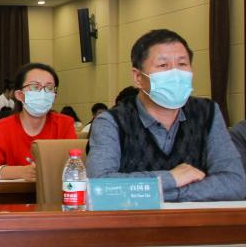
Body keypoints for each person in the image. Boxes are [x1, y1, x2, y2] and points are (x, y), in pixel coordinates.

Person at [87, 29, 246, 201]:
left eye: (182, 64)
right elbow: (99, 185)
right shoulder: (111, 122)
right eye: (163, 66)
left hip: (196, 217)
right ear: (138, 77)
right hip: (133, 218)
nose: (175, 74)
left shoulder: (208, 112)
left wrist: (170, 192)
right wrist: (171, 178)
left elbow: (236, 183)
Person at [0, 62, 76, 181]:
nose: (43, 93)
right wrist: (21, 172)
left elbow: (74, 164)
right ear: (19, 95)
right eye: (35, 87)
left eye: (49, 88)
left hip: (55, 191)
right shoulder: (1, 128)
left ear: (54, 97)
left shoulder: (65, 124)